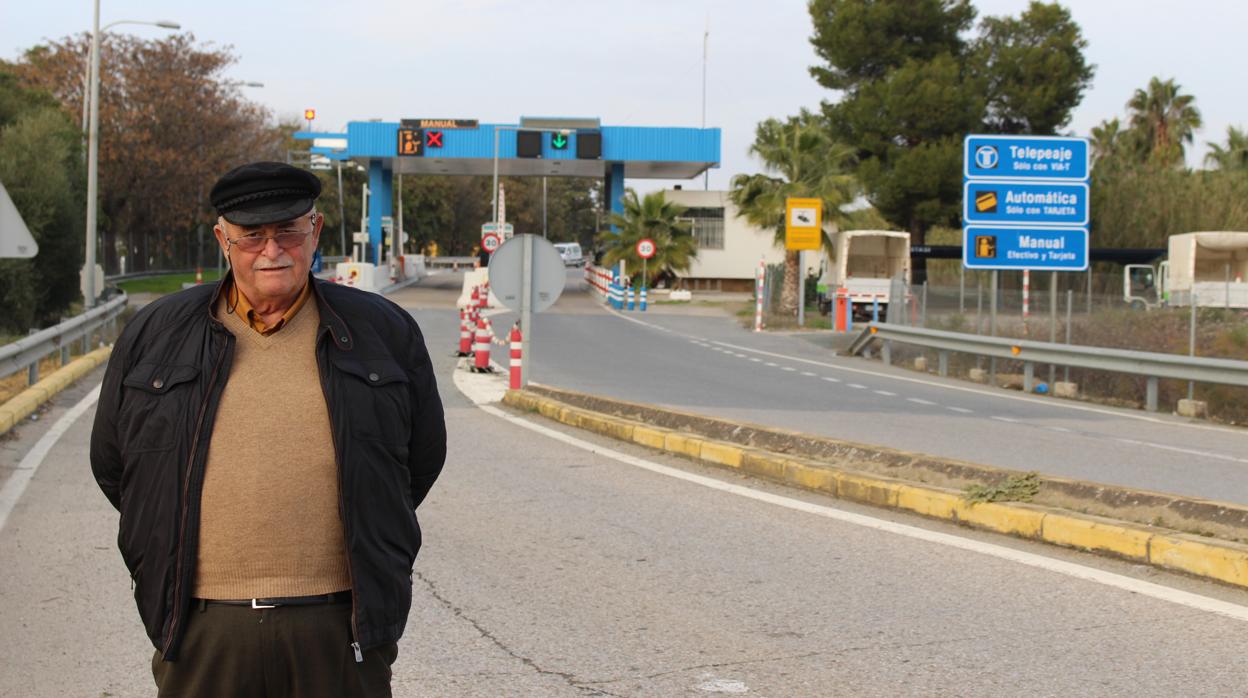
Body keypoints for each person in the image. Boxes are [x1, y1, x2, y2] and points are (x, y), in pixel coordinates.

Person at [90, 161, 446, 697]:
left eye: (288, 231)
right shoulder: (156, 334)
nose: (272, 250)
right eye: (252, 235)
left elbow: (418, 462)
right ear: (223, 240)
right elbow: (117, 466)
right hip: (202, 627)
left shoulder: (383, 331)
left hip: (340, 626)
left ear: (316, 231)